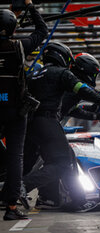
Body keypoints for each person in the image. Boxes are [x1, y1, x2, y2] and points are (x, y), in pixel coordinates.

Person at [27, 53, 100, 211]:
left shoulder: (51, 78)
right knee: (65, 162)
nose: (95, 78)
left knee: (54, 163)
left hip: (36, 125)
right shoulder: (67, 80)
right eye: (94, 74)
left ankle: (49, 198)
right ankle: (74, 200)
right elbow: (85, 93)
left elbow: (72, 110)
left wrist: (97, 114)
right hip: (46, 125)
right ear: (87, 71)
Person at [0, 0, 48, 220]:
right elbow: (42, 30)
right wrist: (30, 7)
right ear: (13, 29)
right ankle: (11, 208)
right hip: (15, 110)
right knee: (14, 156)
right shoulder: (19, 47)